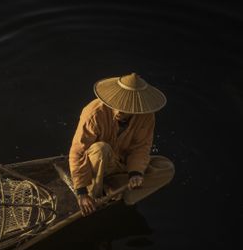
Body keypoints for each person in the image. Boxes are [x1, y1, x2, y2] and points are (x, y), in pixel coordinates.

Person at [68, 72, 175, 216]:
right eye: (116, 105)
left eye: (125, 109)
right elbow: (78, 151)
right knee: (101, 149)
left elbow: (141, 147)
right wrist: (81, 192)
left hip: (119, 163)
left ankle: (118, 189)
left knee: (166, 168)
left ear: (136, 108)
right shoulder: (93, 113)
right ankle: (94, 193)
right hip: (94, 164)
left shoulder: (146, 116)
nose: (118, 111)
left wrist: (135, 172)